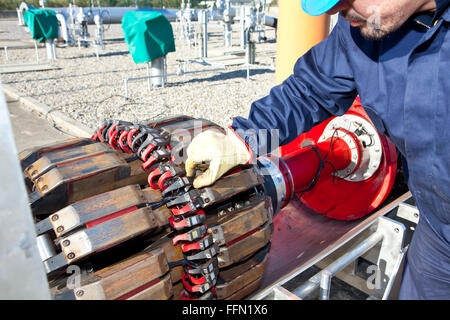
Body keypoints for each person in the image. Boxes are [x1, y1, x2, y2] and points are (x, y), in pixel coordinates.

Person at [184, 0, 450, 299]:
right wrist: (241, 139)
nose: (334, 11)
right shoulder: (364, 29)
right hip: (438, 236)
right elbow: (310, 89)